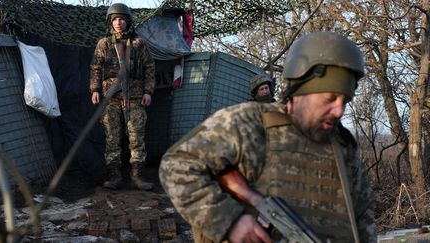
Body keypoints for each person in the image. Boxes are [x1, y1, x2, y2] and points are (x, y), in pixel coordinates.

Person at [159, 31, 377, 243]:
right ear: (300, 90)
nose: (339, 111)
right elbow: (177, 165)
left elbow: (363, 218)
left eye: (345, 101)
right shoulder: (250, 123)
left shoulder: (343, 148)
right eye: (329, 98)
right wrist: (229, 220)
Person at [89, 3, 155, 190]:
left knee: (136, 135)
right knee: (112, 135)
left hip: (134, 95)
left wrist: (148, 92)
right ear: (111, 21)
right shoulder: (104, 43)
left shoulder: (138, 43)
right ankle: (114, 175)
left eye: (122, 19)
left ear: (128, 21)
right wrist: (94, 89)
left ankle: (138, 175)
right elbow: (95, 67)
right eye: (115, 19)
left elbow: (150, 67)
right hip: (110, 96)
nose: (119, 23)